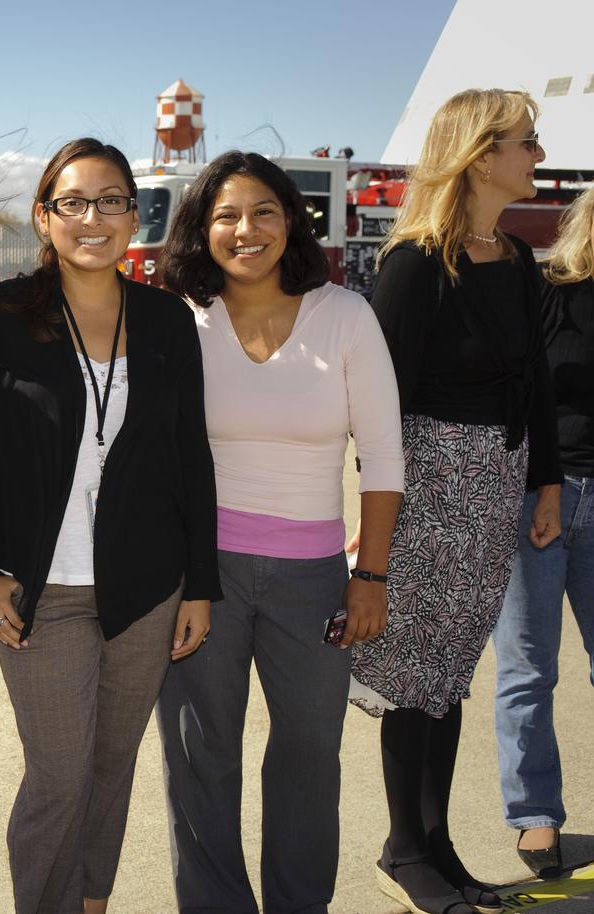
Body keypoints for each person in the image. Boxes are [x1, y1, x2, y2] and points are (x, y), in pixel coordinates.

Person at [0, 137, 219, 914]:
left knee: (111, 765)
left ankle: (92, 901)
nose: (93, 218)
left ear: (135, 213)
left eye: (112, 201)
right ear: (44, 215)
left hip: (147, 586)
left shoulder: (166, 320)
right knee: (59, 774)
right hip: (40, 587)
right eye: (74, 202)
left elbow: (190, 456)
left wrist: (200, 584)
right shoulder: (1, 313)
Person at [153, 151, 404, 914]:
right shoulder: (180, 319)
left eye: (264, 210)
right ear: (202, 230)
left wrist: (370, 577)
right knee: (201, 760)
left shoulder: (346, 315)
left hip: (314, 578)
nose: (246, 229)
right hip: (201, 575)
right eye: (226, 214)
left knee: (307, 761)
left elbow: (384, 455)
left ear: (292, 218)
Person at [349, 88, 562, 914]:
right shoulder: (412, 265)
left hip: (498, 489)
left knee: (450, 677)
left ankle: (436, 846)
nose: (537, 155)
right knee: (414, 676)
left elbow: (535, 382)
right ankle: (405, 851)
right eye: (526, 142)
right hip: (429, 493)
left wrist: (544, 481)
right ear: (479, 155)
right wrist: (383, 534)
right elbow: (377, 410)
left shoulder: (514, 258)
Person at [492, 184, 594, 880]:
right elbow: (518, 386)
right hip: (538, 501)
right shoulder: (549, 286)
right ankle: (535, 816)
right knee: (529, 667)